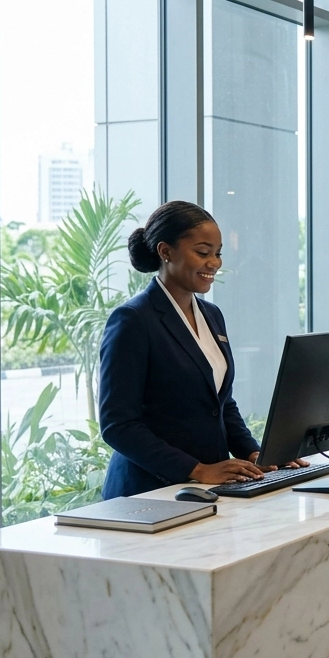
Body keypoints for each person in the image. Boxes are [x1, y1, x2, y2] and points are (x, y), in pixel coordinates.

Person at [97, 201, 303, 499]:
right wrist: (196, 469)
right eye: (203, 253)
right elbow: (118, 425)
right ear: (165, 252)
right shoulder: (133, 320)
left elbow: (220, 404)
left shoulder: (212, 315)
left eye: (218, 254)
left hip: (209, 488)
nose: (214, 263)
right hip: (149, 491)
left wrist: (254, 452)